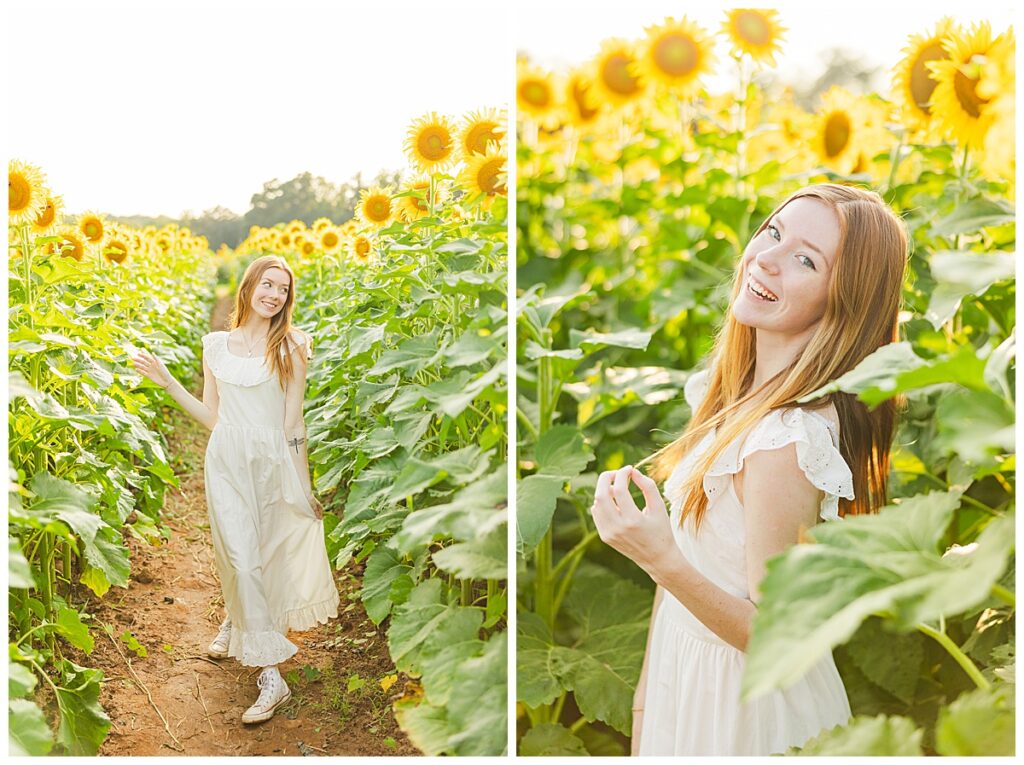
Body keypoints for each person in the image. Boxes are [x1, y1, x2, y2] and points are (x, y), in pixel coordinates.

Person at [589, 184, 907, 755]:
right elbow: (684, 576)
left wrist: (656, 554)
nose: (766, 258)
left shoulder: (784, 439)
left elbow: (778, 639)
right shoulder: (735, 397)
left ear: (845, 301)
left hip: (743, 711)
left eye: (805, 259)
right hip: (685, 680)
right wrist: (645, 706)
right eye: (774, 232)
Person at [131, 255, 340, 724]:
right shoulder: (216, 346)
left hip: (272, 461)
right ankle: (272, 676)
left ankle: (235, 619)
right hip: (226, 458)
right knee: (240, 558)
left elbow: (293, 420)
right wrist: (166, 382)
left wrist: (303, 484)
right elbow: (212, 416)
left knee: (264, 552)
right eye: (268, 284)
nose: (275, 295)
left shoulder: (290, 347)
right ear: (248, 287)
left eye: (283, 289)